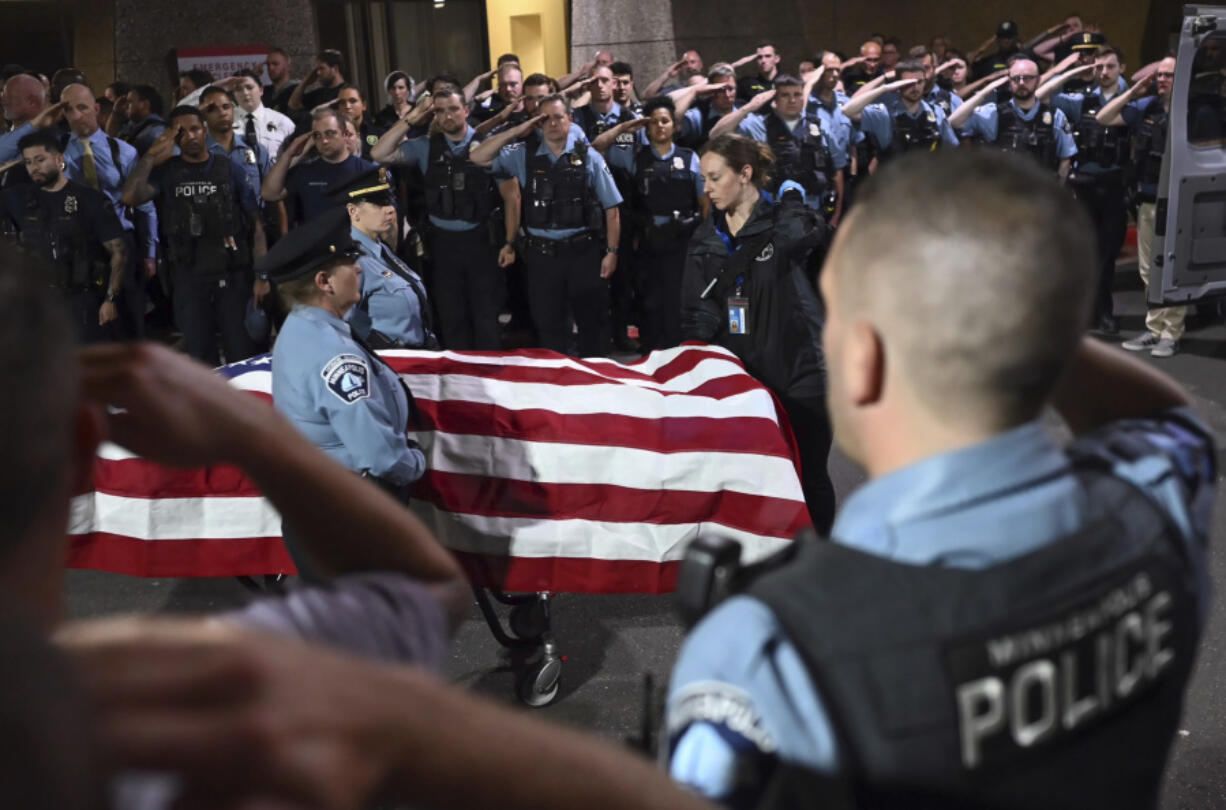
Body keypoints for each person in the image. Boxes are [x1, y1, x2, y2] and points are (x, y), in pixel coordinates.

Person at [667, 147, 1213, 810]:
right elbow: (1170, 420)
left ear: (864, 358)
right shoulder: (1154, 505)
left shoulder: (766, 654)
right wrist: (1019, 322)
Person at [680, 133, 834, 532]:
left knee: (808, 476)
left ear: (745, 174)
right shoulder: (706, 238)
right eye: (703, 179)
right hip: (744, 383)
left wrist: (794, 201)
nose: (707, 188)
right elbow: (696, 309)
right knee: (753, 482)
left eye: (715, 177)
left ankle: (821, 568)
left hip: (802, 375)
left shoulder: (783, 223)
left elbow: (803, 236)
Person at [260, 208, 425, 576]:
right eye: (350, 262)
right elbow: (380, 456)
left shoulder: (303, 327)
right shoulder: (334, 354)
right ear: (325, 282)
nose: (361, 268)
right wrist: (415, 462)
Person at [472, 94, 623, 357]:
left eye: (558, 117)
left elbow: (612, 209)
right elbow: (478, 157)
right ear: (537, 123)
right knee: (549, 326)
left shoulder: (589, 157)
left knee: (593, 326)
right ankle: (558, 386)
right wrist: (518, 130)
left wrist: (612, 252)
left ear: (570, 120)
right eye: (545, 119)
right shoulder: (522, 154)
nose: (552, 123)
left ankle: (595, 382)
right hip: (542, 258)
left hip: (583, 254)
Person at [121, 106, 266, 365]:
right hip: (189, 276)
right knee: (200, 358)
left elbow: (255, 226)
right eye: (181, 132)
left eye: (195, 129)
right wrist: (152, 154)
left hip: (232, 275)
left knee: (241, 354)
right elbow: (130, 196)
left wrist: (261, 276)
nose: (190, 136)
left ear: (204, 130)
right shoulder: (167, 171)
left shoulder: (229, 168)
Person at [372, 85, 503, 350]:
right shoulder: (425, 148)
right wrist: (412, 117)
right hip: (443, 244)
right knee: (451, 316)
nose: (447, 116)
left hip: (481, 242)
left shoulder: (486, 144)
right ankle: (459, 380)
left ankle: (489, 379)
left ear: (466, 110)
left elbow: (511, 195)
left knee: (486, 315)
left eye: (454, 109)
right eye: (440, 111)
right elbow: (379, 153)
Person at [596, 96, 705, 351]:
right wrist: (626, 127)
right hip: (647, 241)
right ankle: (651, 353)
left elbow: (704, 204)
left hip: (681, 241)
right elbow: (597, 147)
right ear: (646, 127)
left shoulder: (690, 158)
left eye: (665, 121)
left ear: (675, 126)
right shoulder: (636, 156)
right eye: (653, 122)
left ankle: (679, 354)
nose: (660, 126)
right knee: (650, 301)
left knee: (677, 301)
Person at [1, 130, 127, 343]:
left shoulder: (90, 199)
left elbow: (119, 251)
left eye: (40, 160)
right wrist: (9, 164)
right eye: (28, 162)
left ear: (59, 159)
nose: (34, 168)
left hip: (82, 299)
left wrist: (110, 299)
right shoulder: (19, 197)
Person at [1098, 56, 1183, 357]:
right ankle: (1154, 327)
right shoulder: (1147, 107)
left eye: (1168, 75)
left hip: (1178, 200)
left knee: (1172, 268)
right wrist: (1133, 92)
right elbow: (1103, 118)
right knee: (1149, 271)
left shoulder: (1192, 111)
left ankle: (1171, 332)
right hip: (1147, 199)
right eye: (1159, 75)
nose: (1162, 79)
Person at [1045, 46, 1133, 335]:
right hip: (1083, 185)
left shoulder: (1133, 100)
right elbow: (1043, 93)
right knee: (1085, 254)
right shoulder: (1080, 100)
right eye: (1099, 67)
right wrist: (1073, 70)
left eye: (1110, 66)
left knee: (1107, 256)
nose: (1104, 72)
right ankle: (1087, 314)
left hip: (1114, 186)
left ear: (1122, 67)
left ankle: (1103, 313)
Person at [60, 83, 158, 338]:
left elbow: (144, 206)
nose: (77, 115)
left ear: (96, 109)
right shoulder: (56, 153)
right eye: (69, 110)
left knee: (130, 324)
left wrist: (150, 253)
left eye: (82, 108)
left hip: (121, 242)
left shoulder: (123, 151)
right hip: (79, 246)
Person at [327, 169, 438, 350]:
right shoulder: (352, 260)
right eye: (378, 204)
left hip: (416, 355)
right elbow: (340, 323)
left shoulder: (380, 249)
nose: (389, 209)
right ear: (353, 211)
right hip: (387, 361)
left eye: (388, 201)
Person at [713, 74, 840, 218]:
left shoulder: (820, 126)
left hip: (814, 211)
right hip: (773, 212)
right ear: (775, 99)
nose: (792, 100)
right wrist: (747, 108)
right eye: (785, 95)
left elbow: (837, 171)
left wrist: (835, 217)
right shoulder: (759, 125)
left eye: (797, 94)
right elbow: (715, 135)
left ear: (803, 97)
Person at [949, 57, 1077, 180]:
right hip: (1005, 194)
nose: (1021, 83)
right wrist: (985, 91)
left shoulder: (1055, 116)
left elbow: (1065, 159)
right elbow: (953, 122)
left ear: (1038, 80)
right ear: (1009, 82)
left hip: (1042, 193)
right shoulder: (994, 113)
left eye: (1027, 78)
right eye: (1016, 79)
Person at [262, 107, 379, 226]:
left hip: (355, 241)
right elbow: (269, 193)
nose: (324, 141)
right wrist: (289, 153)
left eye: (330, 133)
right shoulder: (304, 172)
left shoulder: (366, 171)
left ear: (345, 134)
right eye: (318, 135)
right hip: (316, 242)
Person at [841, 60, 959, 166]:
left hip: (928, 184)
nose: (915, 87)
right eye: (908, 83)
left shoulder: (936, 111)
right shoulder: (884, 113)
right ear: (898, 84)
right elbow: (847, 111)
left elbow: (952, 149)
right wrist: (884, 88)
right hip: (893, 185)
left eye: (919, 82)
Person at [232, 70, 295, 159]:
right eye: (238, 89)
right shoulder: (226, 121)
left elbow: (296, 156)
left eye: (249, 87)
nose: (245, 93)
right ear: (233, 94)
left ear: (261, 90)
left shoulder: (281, 121)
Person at [335, 83, 386, 158]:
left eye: (352, 101)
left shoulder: (380, 134)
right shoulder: (333, 136)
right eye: (342, 102)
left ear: (364, 105)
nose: (347, 106)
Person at [288, 48, 346, 113]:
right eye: (317, 69)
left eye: (322, 68)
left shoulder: (347, 92)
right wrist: (305, 82)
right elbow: (293, 105)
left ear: (335, 69)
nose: (318, 73)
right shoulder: (319, 94)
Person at [116, 85, 166, 156]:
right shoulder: (133, 124)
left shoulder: (155, 132)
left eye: (130, 102)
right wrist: (115, 113)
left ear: (145, 105)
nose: (125, 106)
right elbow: (114, 141)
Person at [263, 46, 300, 115]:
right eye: (268, 65)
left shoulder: (297, 90)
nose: (271, 68)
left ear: (288, 66)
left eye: (275, 64)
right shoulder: (265, 92)